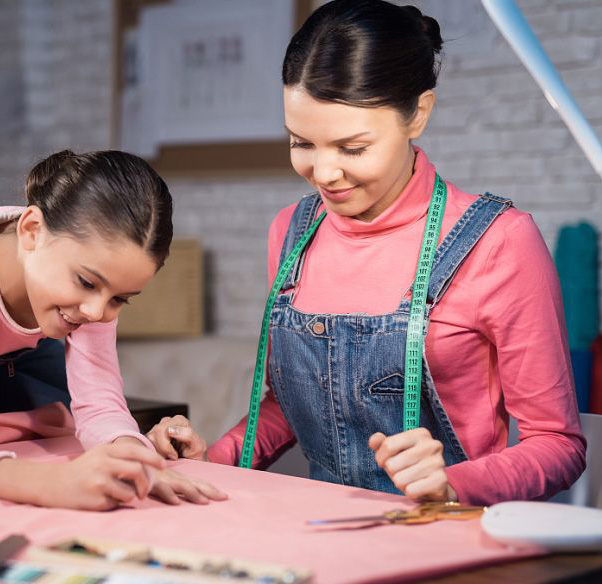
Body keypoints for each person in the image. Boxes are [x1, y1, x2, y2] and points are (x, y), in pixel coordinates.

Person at [147, 0, 586, 506]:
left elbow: (558, 445)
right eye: (300, 143)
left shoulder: (500, 242)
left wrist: (450, 484)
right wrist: (213, 460)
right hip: (324, 528)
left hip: (452, 535)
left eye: (352, 148)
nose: (325, 172)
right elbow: (296, 406)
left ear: (417, 114)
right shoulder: (291, 233)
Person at [0, 148, 226, 510]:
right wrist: (52, 483)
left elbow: (99, 405)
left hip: (17, 349)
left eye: (120, 299)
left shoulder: (82, 288)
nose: (97, 312)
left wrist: (133, 457)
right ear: (31, 231)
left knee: (62, 425)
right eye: (86, 282)